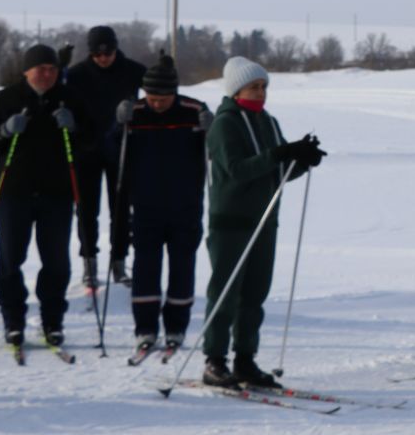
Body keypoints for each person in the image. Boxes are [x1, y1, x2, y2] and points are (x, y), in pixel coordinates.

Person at [202, 56, 324, 389]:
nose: (260, 93)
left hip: (264, 221)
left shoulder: (267, 122)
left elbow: (276, 172)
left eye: (263, 87)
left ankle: (245, 360)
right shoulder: (225, 124)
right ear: (237, 89)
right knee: (225, 293)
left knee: (254, 295)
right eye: (254, 87)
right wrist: (281, 154)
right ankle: (214, 360)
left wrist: (301, 160)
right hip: (230, 222)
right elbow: (238, 170)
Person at [0, 44, 83, 355]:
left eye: (51, 69)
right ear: (26, 70)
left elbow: (91, 139)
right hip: (14, 192)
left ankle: (53, 321)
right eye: (40, 69)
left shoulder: (68, 98)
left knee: (56, 262)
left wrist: (73, 126)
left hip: (56, 193)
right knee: (9, 259)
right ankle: (13, 321)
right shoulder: (5, 99)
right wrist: (4, 131)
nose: (46, 74)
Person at [110, 54, 210, 359]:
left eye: (164, 98)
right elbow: (111, 150)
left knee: (182, 268)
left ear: (174, 93)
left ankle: (176, 327)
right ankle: (145, 329)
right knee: (145, 269)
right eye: (152, 98)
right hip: (145, 206)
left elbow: (216, 148)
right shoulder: (135, 113)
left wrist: (211, 126)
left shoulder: (194, 111)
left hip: (186, 205)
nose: (157, 104)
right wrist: (118, 125)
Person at [62, 25, 146, 291]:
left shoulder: (133, 71)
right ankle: (89, 265)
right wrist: (59, 67)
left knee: (121, 210)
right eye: (98, 54)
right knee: (86, 211)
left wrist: (166, 71)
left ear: (115, 48)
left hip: (121, 148)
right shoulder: (75, 75)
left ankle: (119, 263)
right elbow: (59, 94)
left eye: (108, 52)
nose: (103, 58)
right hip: (86, 148)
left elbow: (159, 93)